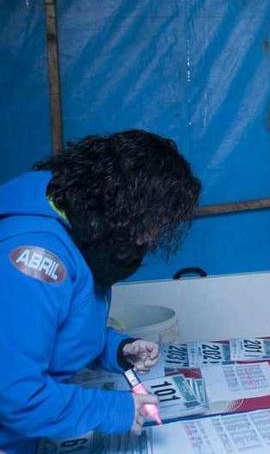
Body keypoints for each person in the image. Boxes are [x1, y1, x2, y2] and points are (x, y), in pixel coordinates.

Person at [0, 130, 201, 454]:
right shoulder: (33, 259)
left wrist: (118, 349)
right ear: (122, 202)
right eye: (153, 221)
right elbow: (16, 396)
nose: (150, 238)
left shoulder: (81, 232)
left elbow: (57, 331)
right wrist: (118, 410)